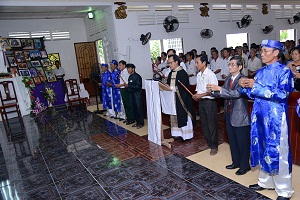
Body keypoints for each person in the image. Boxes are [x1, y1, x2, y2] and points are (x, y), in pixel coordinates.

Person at [239, 40, 294, 200]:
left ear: (276, 53)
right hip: (260, 117)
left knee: (279, 152)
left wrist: (255, 86)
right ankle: (265, 182)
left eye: (265, 51)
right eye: (261, 51)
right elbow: (253, 93)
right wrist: (245, 86)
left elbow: (283, 95)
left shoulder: (284, 72)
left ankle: (284, 190)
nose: (261, 54)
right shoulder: (261, 72)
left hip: (276, 119)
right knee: (262, 148)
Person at [207, 56, 250, 175]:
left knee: (242, 142)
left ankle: (245, 166)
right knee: (232, 140)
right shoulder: (228, 79)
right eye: (229, 64)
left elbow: (236, 94)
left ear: (240, 67)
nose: (230, 67)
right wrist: (212, 92)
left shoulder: (243, 79)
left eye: (232, 64)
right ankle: (236, 161)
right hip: (229, 113)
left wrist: (219, 89)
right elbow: (224, 93)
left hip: (240, 115)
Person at [192, 55, 218, 155]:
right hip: (201, 102)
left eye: (197, 62)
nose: (196, 64)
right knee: (204, 124)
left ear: (204, 63)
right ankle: (208, 143)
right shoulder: (198, 75)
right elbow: (199, 89)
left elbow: (213, 91)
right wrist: (196, 96)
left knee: (212, 124)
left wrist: (200, 95)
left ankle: (214, 146)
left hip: (209, 102)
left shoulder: (210, 75)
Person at [166, 54, 194, 141]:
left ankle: (186, 135)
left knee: (182, 115)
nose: (170, 65)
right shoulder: (171, 73)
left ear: (176, 62)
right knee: (174, 115)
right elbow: (168, 84)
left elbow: (184, 88)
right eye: (169, 63)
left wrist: (173, 88)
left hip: (182, 99)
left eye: (171, 63)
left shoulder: (182, 73)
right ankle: (177, 134)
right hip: (173, 99)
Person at [125, 63, 144, 129]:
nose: (128, 70)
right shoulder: (130, 77)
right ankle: (137, 122)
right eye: (127, 68)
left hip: (137, 95)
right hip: (132, 95)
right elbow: (130, 87)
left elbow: (138, 87)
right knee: (134, 109)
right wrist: (126, 88)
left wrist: (128, 86)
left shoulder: (137, 76)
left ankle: (141, 123)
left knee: (139, 109)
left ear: (133, 69)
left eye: (129, 68)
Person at [115, 60, 134, 125]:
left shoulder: (126, 72)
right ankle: (128, 118)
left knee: (128, 104)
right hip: (122, 89)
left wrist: (119, 85)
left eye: (120, 65)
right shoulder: (121, 72)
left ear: (124, 65)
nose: (119, 66)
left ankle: (131, 118)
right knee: (125, 104)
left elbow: (126, 82)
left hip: (125, 89)